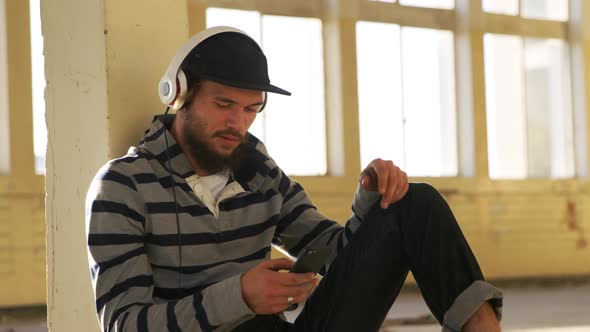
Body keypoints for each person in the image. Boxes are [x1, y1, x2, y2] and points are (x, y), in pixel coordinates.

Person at [85, 26, 503, 332]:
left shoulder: (258, 170)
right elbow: (124, 323)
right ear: (179, 94)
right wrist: (240, 295)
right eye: (224, 104)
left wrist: (369, 203)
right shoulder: (123, 185)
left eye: (251, 109)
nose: (237, 123)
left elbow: (336, 255)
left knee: (415, 202)